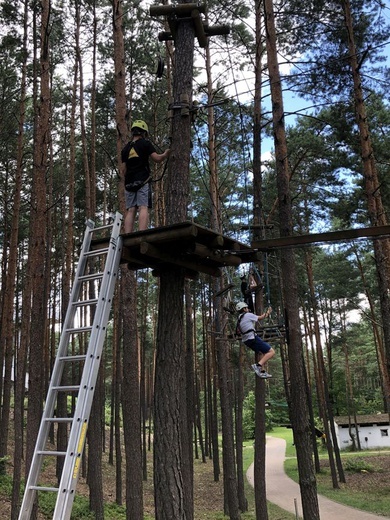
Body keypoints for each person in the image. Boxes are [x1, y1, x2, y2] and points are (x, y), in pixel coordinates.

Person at [121, 120, 170, 233]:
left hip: (129, 183)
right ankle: (142, 233)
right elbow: (157, 158)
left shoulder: (125, 149)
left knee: (131, 209)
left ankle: (128, 234)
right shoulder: (145, 143)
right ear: (143, 133)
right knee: (143, 207)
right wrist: (165, 154)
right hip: (142, 180)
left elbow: (123, 170)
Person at [235, 301, 275, 379]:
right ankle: (258, 366)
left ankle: (262, 371)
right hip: (252, 338)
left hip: (246, 340)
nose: (248, 309)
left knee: (262, 353)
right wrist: (268, 312)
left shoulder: (239, 318)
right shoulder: (247, 315)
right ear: (244, 309)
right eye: (246, 308)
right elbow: (261, 317)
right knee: (271, 352)